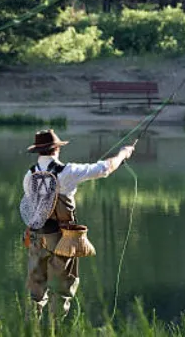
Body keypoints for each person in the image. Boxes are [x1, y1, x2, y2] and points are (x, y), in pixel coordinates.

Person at [21, 129, 135, 321]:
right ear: (56, 149)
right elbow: (105, 168)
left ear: (38, 152)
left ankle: (30, 330)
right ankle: (55, 330)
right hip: (62, 238)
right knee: (62, 288)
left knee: (35, 290)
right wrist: (123, 154)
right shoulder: (68, 172)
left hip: (36, 237)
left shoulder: (29, 175)